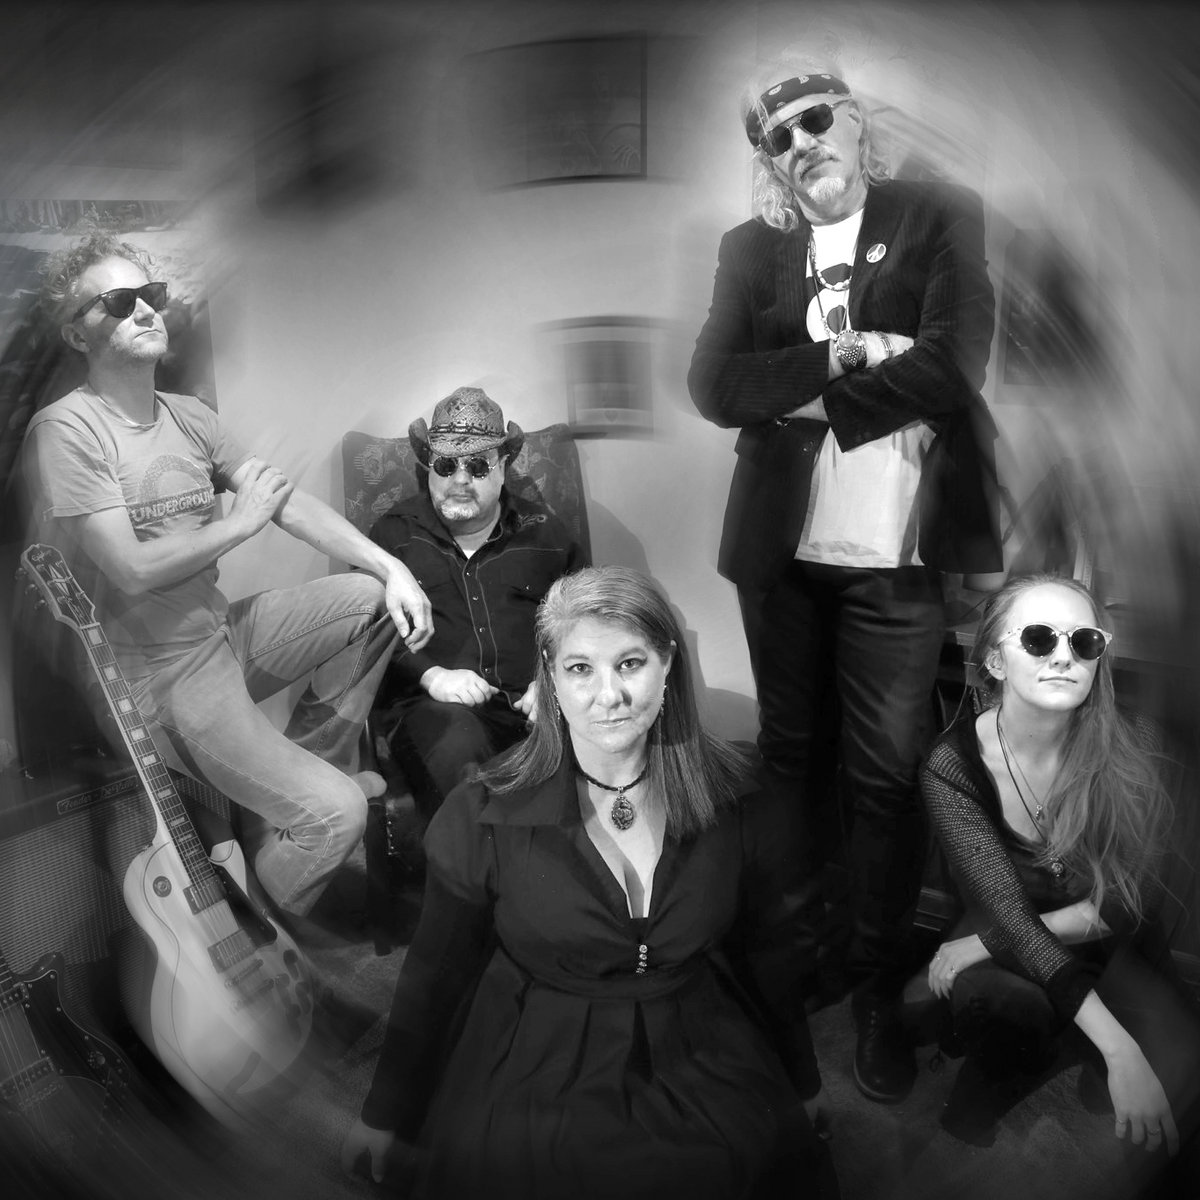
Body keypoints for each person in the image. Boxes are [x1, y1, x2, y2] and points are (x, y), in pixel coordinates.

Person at [687, 58, 1002, 1102]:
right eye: (777, 137)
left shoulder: (936, 214)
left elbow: (956, 364)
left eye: (815, 119)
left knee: (883, 778)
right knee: (790, 762)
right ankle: (796, 957)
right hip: (778, 557)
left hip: (896, 564)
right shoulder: (750, 249)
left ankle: (874, 987)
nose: (801, 143)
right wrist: (845, 358)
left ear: (855, 121)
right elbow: (713, 387)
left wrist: (798, 397)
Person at [340, 565, 838, 1200]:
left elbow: (768, 956)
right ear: (550, 678)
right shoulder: (482, 814)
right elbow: (434, 975)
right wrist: (384, 1112)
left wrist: (803, 1079)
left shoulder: (738, 800)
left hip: (698, 1044)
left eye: (631, 663)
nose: (609, 695)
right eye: (581, 669)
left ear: (667, 664)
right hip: (537, 1054)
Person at [20, 232, 433, 920]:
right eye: (118, 302)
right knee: (338, 815)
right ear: (77, 332)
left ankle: (294, 776)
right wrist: (240, 524)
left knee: (371, 598)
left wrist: (393, 567)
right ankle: (256, 923)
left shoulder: (189, 416)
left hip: (221, 636)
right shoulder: (66, 429)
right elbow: (131, 568)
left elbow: (286, 503)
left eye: (150, 295)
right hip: (155, 678)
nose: (144, 310)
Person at [920, 573, 1200, 1192]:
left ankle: (1086, 1049)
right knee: (1014, 1013)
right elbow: (1011, 919)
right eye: (1040, 638)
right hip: (1018, 946)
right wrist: (1121, 1050)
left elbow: (1121, 907)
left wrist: (983, 942)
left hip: (1114, 940)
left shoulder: (1135, 744)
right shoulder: (953, 765)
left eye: (1084, 641)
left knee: (1183, 1083)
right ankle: (1006, 1077)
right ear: (996, 660)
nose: (1064, 656)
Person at [368, 387, 588, 818]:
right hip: (434, 711)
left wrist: (555, 682)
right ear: (428, 466)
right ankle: (480, 861)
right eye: (446, 465)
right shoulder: (392, 538)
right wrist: (431, 675)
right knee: (458, 747)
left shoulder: (546, 534)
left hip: (539, 706)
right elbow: (366, 627)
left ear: (503, 466)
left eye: (478, 465)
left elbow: (588, 620)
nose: (460, 480)